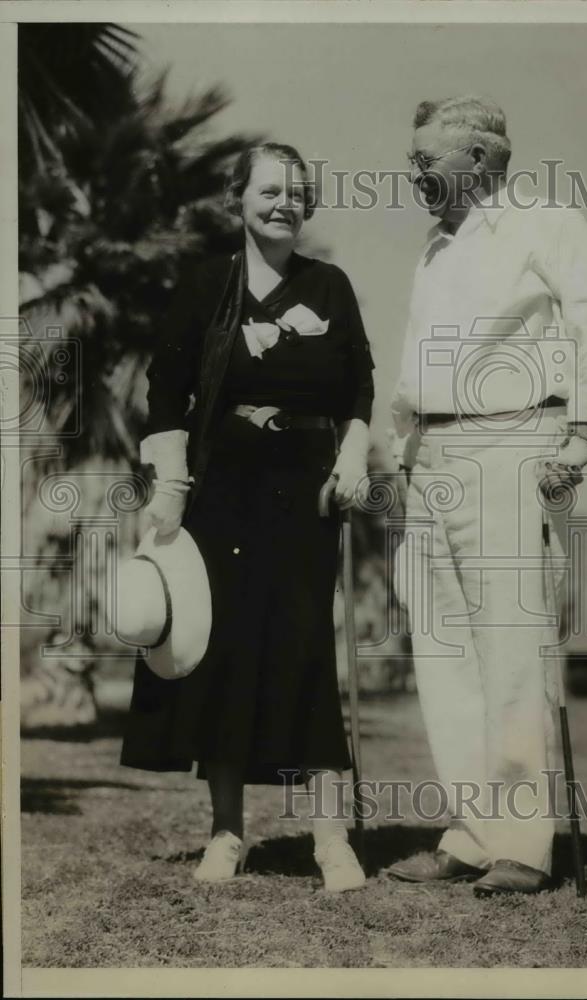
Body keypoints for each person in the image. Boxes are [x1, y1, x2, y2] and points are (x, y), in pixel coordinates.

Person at [386, 97, 587, 895]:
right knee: (444, 654)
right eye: (412, 159)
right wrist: (402, 456)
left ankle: (523, 847)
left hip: (511, 445)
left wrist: (581, 437)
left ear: (480, 161)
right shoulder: (435, 248)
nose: (413, 173)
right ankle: (467, 833)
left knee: (508, 649)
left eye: (427, 160)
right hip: (432, 456)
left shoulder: (545, 222)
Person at [120, 141, 375, 892]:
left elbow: (358, 384)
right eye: (268, 189)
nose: (283, 202)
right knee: (221, 655)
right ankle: (227, 835)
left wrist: (352, 458)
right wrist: (169, 485)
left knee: (304, 653)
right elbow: (165, 389)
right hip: (218, 493)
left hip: (305, 493)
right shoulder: (206, 286)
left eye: (296, 191)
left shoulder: (329, 287)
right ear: (238, 198)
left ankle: (332, 840)